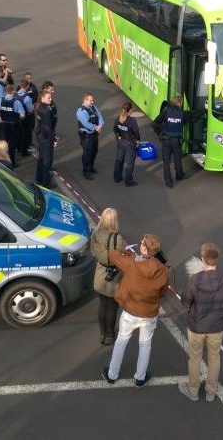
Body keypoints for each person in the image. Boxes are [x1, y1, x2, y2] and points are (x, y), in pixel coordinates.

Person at [101, 234, 169, 388]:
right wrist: (135, 255)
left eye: (141, 243)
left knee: (121, 341)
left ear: (144, 247)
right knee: (145, 344)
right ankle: (140, 377)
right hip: (149, 314)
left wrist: (126, 250)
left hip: (130, 312)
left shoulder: (132, 263)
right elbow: (163, 293)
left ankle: (112, 374)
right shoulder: (163, 270)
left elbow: (113, 254)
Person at [179, 243, 223, 402]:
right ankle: (211, 391)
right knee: (214, 358)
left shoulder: (195, 280)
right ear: (217, 260)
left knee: (195, 358)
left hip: (196, 326)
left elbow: (185, 302)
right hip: (217, 327)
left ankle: (193, 391)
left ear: (203, 259)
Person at [90, 208, 127, 346]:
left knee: (102, 305)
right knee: (112, 307)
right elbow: (120, 257)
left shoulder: (95, 234)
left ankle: (103, 333)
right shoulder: (116, 237)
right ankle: (110, 335)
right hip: (113, 276)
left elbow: (93, 251)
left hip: (99, 274)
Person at [152, 96, 205, 188]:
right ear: (180, 104)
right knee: (177, 159)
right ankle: (179, 176)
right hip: (177, 141)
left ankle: (168, 182)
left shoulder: (166, 112)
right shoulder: (182, 114)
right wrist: (205, 110)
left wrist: (159, 134)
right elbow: (194, 114)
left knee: (166, 161)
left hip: (166, 140)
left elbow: (154, 124)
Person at [0, 84, 25, 166]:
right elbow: (22, 115)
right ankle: (12, 162)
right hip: (14, 125)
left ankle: (2, 160)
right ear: (13, 91)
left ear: (5, 92)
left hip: (4, 125)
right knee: (12, 144)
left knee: (4, 142)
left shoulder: (0, 100)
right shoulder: (17, 102)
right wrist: (19, 117)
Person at [76, 92, 104, 180]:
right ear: (85, 100)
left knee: (94, 151)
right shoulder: (81, 112)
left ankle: (91, 166)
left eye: (93, 100)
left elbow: (100, 117)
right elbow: (86, 124)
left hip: (94, 134)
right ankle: (86, 171)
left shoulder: (93, 108)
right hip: (87, 135)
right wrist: (96, 127)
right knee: (87, 153)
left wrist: (100, 125)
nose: (92, 102)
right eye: (90, 101)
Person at [112, 101, 140, 187]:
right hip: (129, 143)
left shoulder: (118, 118)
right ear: (130, 110)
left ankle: (117, 177)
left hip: (120, 142)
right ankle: (128, 181)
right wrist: (138, 141)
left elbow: (115, 130)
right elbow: (136, 133)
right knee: (129, 163)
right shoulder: (132, 121)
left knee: (119, 160)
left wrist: (119, 137)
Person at [35, 90, 56, 188]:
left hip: (40, 135)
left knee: (41, 158)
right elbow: (48, 128)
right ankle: (46, 182)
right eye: (49, 98)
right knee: (46, 161)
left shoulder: (40, 107)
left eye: (51, 97)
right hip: (46, 137)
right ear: (42, 98)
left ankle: (39, 178)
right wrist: (53, 139)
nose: (51, 99)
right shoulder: (47, 111)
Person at [16, 77, 36, 157]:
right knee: (26, 134)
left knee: (19, 133)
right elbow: (30, 110)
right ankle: (24, 151)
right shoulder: (27, 98)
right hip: (26, 118)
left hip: (17, 117)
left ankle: (18, 147)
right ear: (27, 87)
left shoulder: (15, 94)